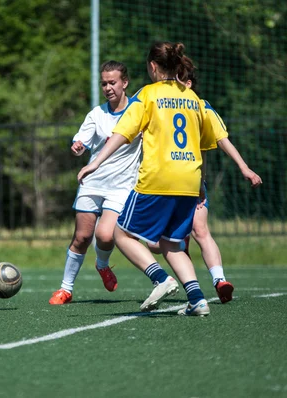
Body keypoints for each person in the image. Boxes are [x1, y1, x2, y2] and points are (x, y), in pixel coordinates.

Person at [77, 41, 218, 316]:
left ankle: (160, 279)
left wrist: (95, 162)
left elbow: (123, 132)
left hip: (158, 178)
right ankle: (198, 299)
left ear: (153, 66)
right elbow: (206, 140)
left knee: (121, 232)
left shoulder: (148, 95)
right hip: (189, 181)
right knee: (170, 243)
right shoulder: (192, 97)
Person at [147, 71, 263, 304]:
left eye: (177, 80)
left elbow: (222, 139)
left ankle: (219, 281)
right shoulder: (162, 102)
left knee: (200, 230)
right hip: (168, 183)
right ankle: (183, 245)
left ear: (188, 83)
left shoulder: (199, 106)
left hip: (192, 183)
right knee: (155, 244)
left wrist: (244, 167)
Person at [49, 61, 142, 305]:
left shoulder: (139, 111)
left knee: (106, 236)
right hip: (93, 182)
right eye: (104, 83)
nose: (108, 87)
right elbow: (81, 144)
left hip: (122, 185)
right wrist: (78, 148)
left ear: (125, 82)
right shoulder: (97, 114)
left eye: (113, 82)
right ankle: (65, 289)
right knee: (81, 237)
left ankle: (102, 265)